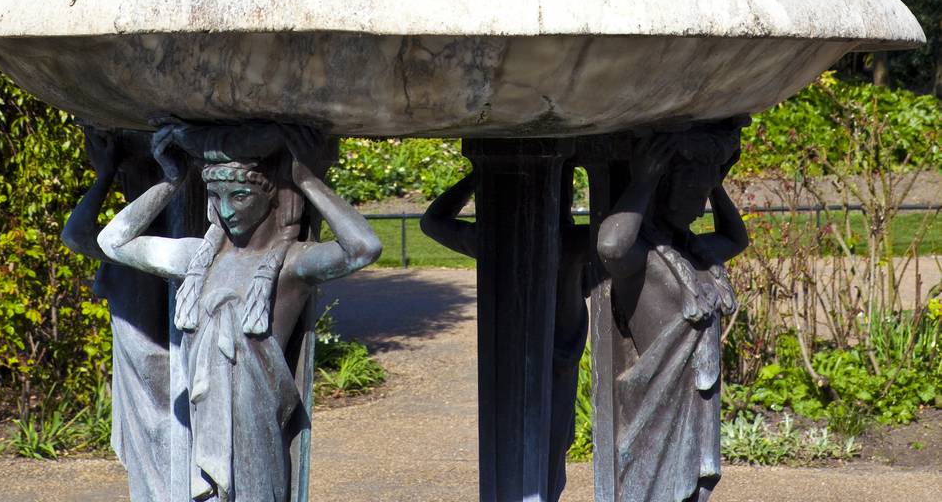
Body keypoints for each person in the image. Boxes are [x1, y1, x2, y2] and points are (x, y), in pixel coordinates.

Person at [97, 123, 381, 502]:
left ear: (272, 197)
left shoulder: (289, 265)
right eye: (216, 195)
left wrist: (309, 181)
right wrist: (171, 180)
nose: (227, 209)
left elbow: (364, 247)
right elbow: (112, 241)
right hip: (203, 438)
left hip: (256, 442)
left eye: (241, 195)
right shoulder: (197, 259)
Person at [421, 162, 591, 501]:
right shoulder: (572, 240)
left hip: (514, 355)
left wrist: (477, 178)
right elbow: (624, 234)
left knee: (521, 440)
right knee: (552, 444)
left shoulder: (494, 239)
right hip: (557, 355)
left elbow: (432, 221)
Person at [595, 127, 749, 502]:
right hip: (654, 414)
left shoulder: (695, 253)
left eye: (703, 195)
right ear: (664, 189)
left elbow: (736, 238)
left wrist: (714, 183)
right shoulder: (646, 259)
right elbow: (612, 247)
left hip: (693, 409)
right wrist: (644, 181)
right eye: (692, 194)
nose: (700, 207)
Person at [62, 126, 175, 502]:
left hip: (154, 386)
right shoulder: (144, 245)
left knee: (162, 468)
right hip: (150, 383)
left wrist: (104, 174)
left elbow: (75, 235)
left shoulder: (132, 250)